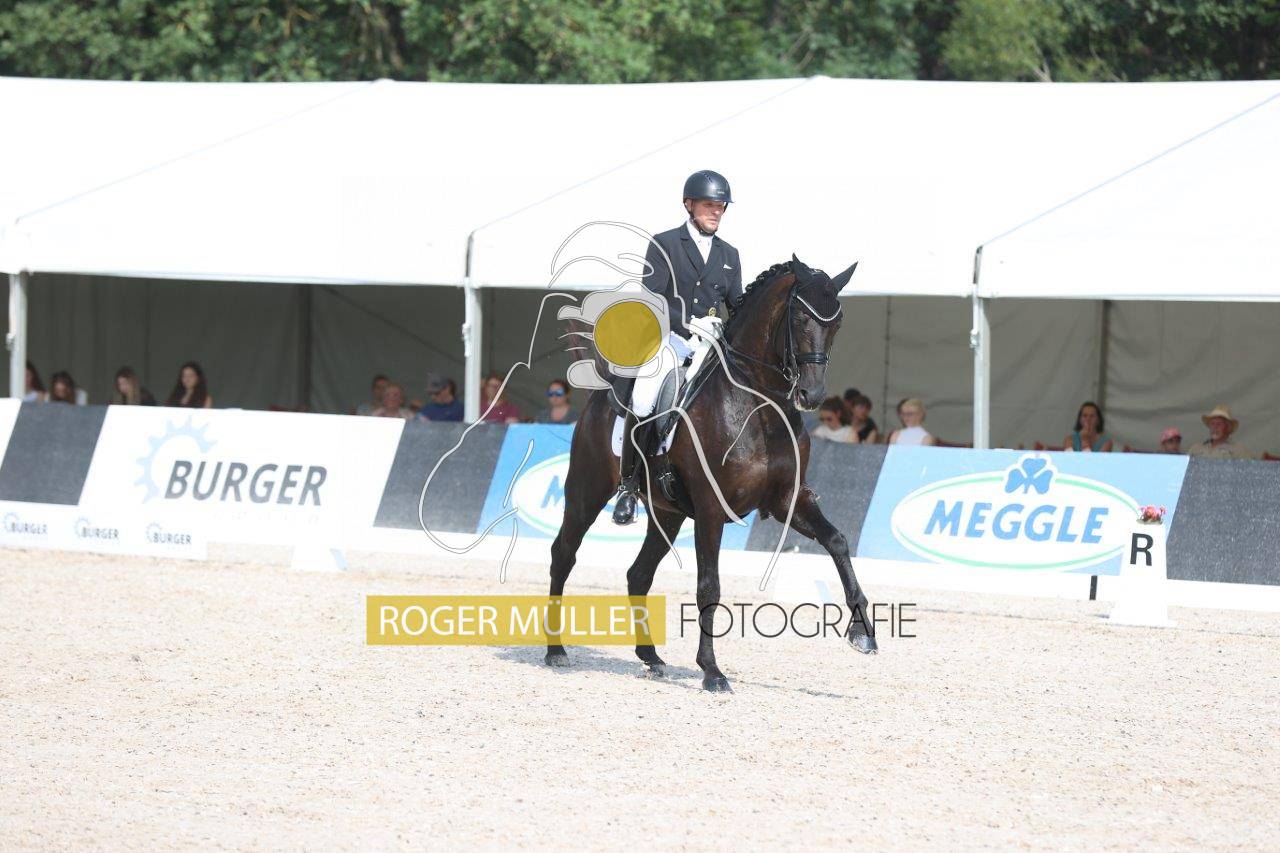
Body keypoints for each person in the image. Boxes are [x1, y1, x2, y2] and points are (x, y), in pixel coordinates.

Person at [613, 169, 743, 525]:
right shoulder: (665, 244)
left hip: (710, 343)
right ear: (689, 205)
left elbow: (737, 304)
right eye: (709, 205)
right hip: (669, 339)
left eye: (721, 206)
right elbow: (652, 296)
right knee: (644, 397)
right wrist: (688, 323)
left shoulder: (729, 254)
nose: (716, 212)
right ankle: (628, 486)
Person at [1186, 404, 1253, 459]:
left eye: (1219, 424)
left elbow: (1249, 470)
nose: (1215, 427)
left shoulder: (1239, 451)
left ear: (1228, 427)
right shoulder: (1195, 448)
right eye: (1212, 424)